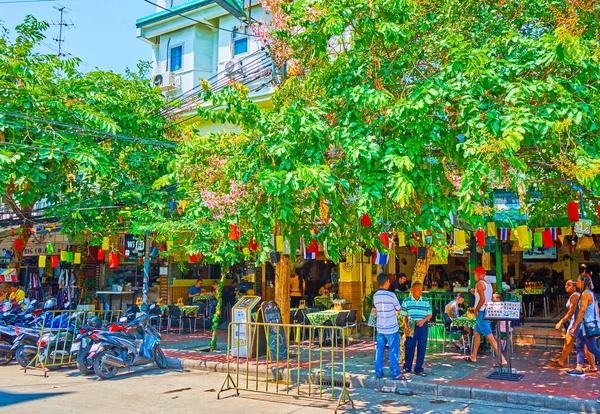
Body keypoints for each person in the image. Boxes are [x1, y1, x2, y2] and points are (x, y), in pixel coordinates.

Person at [464, 266, 506, 366]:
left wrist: (476, 310)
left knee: (490, 337)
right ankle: (473, 356)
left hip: (481, 312)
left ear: (480, 275)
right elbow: (486, 298)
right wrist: (475, 293)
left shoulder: (479, 284)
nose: (474, 275)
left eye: (476, 274)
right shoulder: (488, 284)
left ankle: (502, 359)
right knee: (476, 334)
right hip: (486, 310)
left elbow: (482, 299)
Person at [551, 279, 596, 370]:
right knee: (572, 342)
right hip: (579, 323)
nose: (566, 287)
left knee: (578, 344)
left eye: (569, 285)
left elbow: (571, 312)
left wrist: (561, 322)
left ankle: (588, 366)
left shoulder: (575, 296)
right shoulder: (579, 295)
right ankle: (562, 360)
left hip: (576, 323)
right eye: (566, 285)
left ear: (575, 287)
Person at [373, 272, 406, 380]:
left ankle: (378, 372)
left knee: (379, 350)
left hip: (380, 328)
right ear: (387, 282)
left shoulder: (375, 296)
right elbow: (398, 309)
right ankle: (395, 373)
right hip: (391, 328)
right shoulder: (391, 295)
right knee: (393, 351)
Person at [566, 275, 600, 377]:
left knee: (592, 348)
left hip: (586, 326)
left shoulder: (585, 294)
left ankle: (579, 368)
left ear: (583, 282)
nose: (577, 283)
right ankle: (579, 368)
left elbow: (582, 310)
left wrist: (575, 325)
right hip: (588, 325)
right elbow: (596, 310)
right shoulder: (591, 293)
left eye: (578, 281)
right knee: (580, 345)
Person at [401, 282, 432, 377]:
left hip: (423, 325)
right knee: (409, 346)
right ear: (412, 290)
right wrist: (406, 326)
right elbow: (404, 315)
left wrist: (423, 321)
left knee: (422, 347)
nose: (420, 291)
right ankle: (407, 367)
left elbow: (429, 314)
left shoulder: (425, 300)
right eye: (418, 289)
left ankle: (418, 368)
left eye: (421, 289)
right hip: (411, 325)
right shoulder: (407, 300)